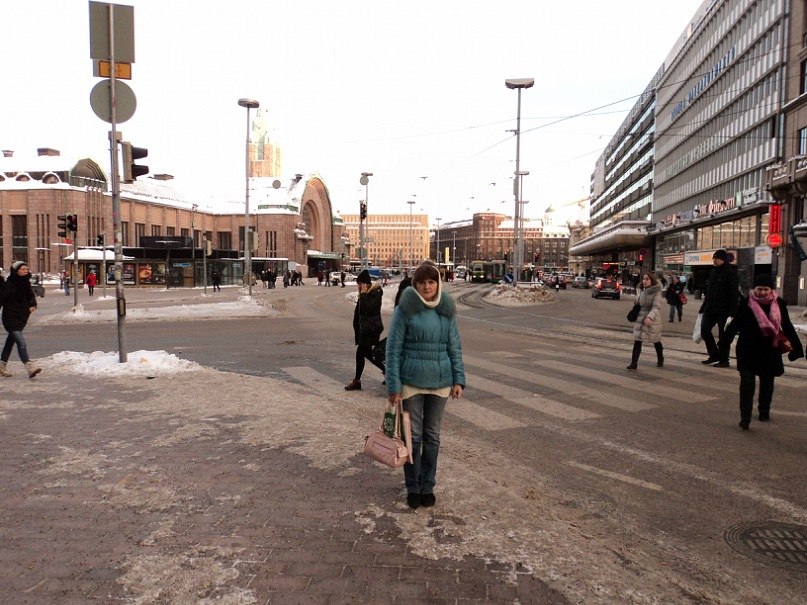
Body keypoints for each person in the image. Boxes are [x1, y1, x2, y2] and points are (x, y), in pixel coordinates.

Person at [385, 262, 465, 509]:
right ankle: (413, 486)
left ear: (438, 284)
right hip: (411, 383)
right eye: (423, 282)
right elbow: (393, 349)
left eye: (432, 282)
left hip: (440, 383)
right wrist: (393, 385)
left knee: (433, 437)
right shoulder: (405, 309)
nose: (428, 286)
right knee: (414, 438)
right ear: (416, 285)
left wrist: (458, 379)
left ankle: (427, 485)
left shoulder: (446, 309)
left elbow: (454, 346)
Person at [719, 274, 804, 430]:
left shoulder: (779, 304)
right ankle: (745, 417)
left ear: (771, 290)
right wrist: (724, 342)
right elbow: (735, 324)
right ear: (754, 289)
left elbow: (788, 326)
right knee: (747, 383)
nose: (763, 293)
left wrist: (797, 348)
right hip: (747, 349)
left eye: (766, 289)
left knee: (767, 383)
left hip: (769, 350)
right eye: (760, 289)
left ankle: (764, 410)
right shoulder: (746, 303)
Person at [344, 269, 385, 391]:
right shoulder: (366, 293)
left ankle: (357, 381)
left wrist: (363, 294)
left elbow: (367, 308)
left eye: (360, 284)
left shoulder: (375, 292)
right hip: (365, 330)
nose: (358, 287)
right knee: (369, 354)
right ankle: (388, 371)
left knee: (362, 354)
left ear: (365, 284)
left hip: (371, 329)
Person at [0, 261, 42, 379]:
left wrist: (32, 305)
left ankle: (2, 364)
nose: (25, 271)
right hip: (10, 318)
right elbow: (1, 299)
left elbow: (31, 297)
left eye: (26, 269)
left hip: (22, 318)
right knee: (21, 343)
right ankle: (29, 367)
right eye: (23, 269)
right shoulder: (9, 284)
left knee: (10, 342)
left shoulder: (25, 283)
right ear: (16, 271)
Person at [699, 249, 739, 367]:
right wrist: (703, 307)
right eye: (714, 258)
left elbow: (734, 293)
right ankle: (714, 354)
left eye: (716, 258)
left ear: (722, 259)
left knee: (724, 335)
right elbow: (709, 291)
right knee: (704, 330)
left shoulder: (730, 272)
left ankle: (724, 360)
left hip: (724, 310)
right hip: (710, 308)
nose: (714, 260)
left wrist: (733, 311)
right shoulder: (714, 272)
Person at [626, 273, 664, 370]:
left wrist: (650, 317)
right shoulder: (642, 290)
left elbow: (656, 307)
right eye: (643, 279)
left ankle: (660, 358)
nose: (644, 281)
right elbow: (640, 303)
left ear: (652, 280)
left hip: (652, 319)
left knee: (656, 340)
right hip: (640, 318)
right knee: (637, 340)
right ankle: (634, 363)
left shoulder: (656, 292)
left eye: (647, 279)